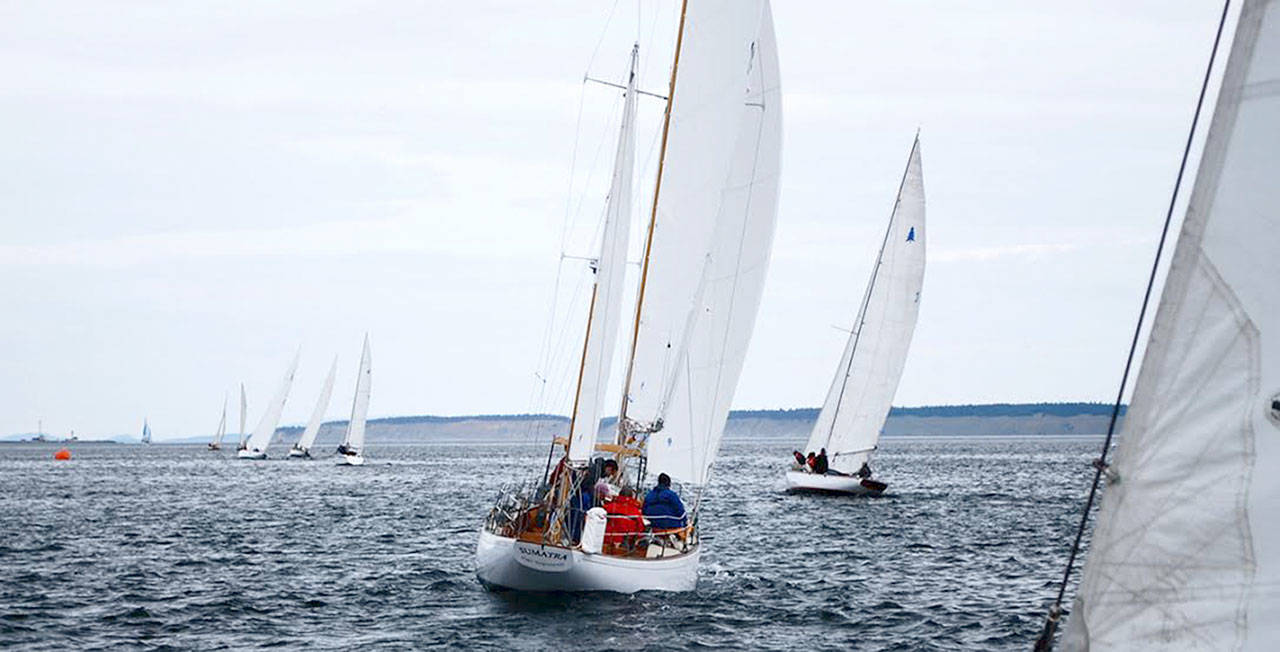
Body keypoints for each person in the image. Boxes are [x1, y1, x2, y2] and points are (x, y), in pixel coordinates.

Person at [603, 487, 645, 553]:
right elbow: (640, 529)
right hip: (625, 544)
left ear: (619, 495)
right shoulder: (636, 512)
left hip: (606, 541)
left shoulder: (608, 507)